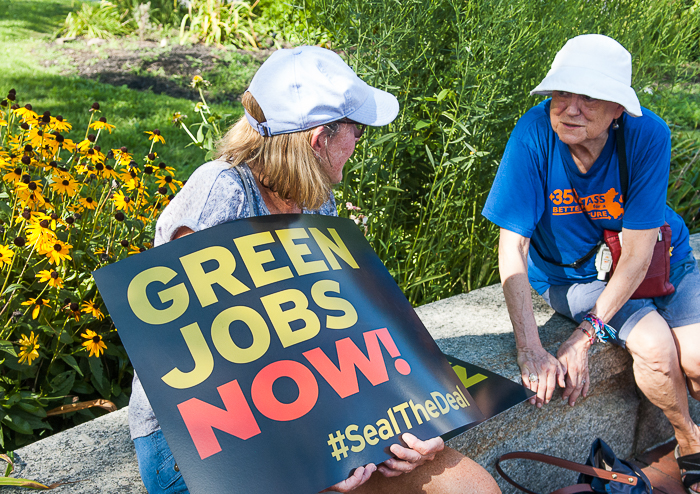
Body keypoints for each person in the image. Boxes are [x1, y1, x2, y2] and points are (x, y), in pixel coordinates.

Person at [129, 46, 500, 494]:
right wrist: (313, 470)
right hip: (201, 440)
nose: (359, 144)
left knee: (473, 489)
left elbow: (337, 331)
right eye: (356, 131)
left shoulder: (314, 196)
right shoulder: (219, 195)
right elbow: (194, 365)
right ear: (319, 139)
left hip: (302, 405)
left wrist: (418, 419)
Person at [482, 34, 700, 494]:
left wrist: (584, 337)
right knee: (658, 351)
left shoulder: (648, 134)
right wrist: (530, 348)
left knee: (698, 357)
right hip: (575, 275)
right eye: (563, 93)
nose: (570, 108)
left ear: (619, 108)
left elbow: (640, 253)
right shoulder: (533, 134)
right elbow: (512, 248)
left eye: (590, 97)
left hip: (664, 258)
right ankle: (688, 440)